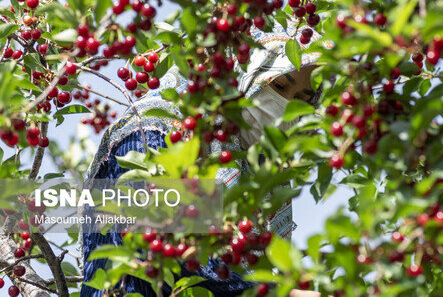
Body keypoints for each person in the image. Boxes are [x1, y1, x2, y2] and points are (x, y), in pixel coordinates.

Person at [81, 20, 325, 297]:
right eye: (279, 85)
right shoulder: (155, 129)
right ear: (242, 71)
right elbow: (149, 244)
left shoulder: (255, 178)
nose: (285, 106)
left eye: (301, 101)